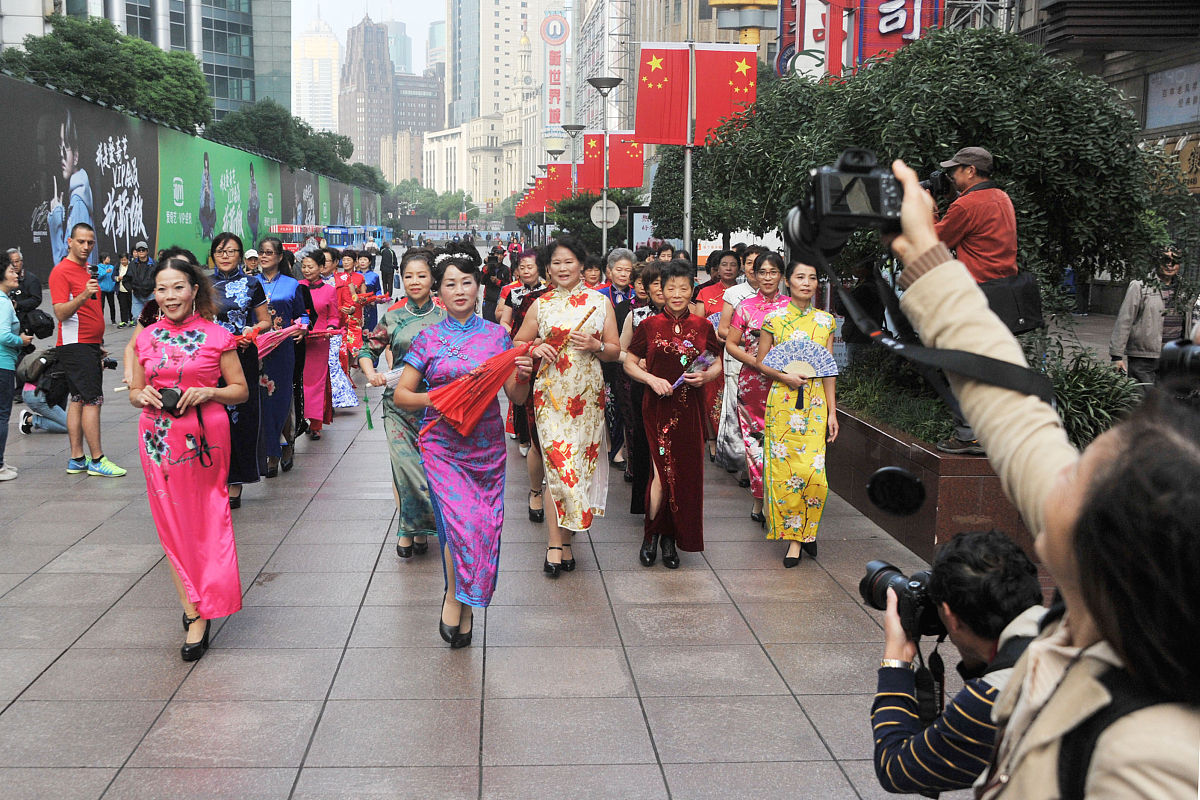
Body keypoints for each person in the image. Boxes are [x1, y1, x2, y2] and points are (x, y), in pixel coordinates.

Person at [887, 157, 1200, 799]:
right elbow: (1017, 415)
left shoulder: (1152, 762)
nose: (1059, 464)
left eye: (1082, 464)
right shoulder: (1086, 613)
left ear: (1107, 545)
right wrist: (923, 257)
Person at [394, 249, 533, 647]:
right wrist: (437, 398)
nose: (459, 290)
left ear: (479, 288)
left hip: (486, 449)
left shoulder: (497, 336)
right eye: (450, 284)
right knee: (460, 525)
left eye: (466, 283)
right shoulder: (429, 337)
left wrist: (522, 376)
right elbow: (403, 395)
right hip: (442, 447)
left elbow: (516, 398)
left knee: (481, 529)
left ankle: (466, 601)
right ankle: (456, 597)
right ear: (438, 291)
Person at [128, 253, 249, 661]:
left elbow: (240, 390)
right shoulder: (145, 337)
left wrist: (209, 391)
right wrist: (139, 395)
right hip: (157, 437)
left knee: (207, 518)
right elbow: (135, 390)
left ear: (194, 290)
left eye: (177, 287)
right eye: (162, 289)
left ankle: (207, 600)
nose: (169, 296)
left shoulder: (217, 335)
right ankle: (192, 607)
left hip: (205, 437)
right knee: (171, 521)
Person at [870, 529, 1045, 794]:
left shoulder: (991, 702)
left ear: (950, 617)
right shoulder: (1072, 633)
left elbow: (896, 768)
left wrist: (896, 659)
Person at [514, 236, 621, 577]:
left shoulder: (600, 303)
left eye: (569, 262)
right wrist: (535, 348)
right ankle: (553, 545)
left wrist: (596, 344)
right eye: (556, 263)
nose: (562, 268)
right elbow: (517, 341)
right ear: (548, 268)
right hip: (550, 398)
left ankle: (570, 541)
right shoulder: (540, 304)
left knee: (580, 472)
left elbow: (615, 351)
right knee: (558, 470)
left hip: (588, 397)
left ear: (582, 265)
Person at [624, 260, 722, 567]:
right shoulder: (649, 326)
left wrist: (706, 376)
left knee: (684, 476)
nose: (677, 294)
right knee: (660, 474)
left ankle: (671, 539)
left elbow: (716, 360)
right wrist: (651, 379)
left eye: (683, 287)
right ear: (660, 291)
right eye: (670, 288)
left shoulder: (703, 326)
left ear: (692, 289)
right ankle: (651, 534)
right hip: (656, 408)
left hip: (690, 409)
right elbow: (629, 361)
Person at [358, 248, 446, 559]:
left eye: (421, 275)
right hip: (397, 404)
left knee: (428, 469)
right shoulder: (393, 316)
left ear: (432, 278)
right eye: (408, 276)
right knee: (404, 466)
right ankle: (409, 529)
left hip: (436, 405)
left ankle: (419, 529)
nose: (415, 281)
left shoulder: (447, 316)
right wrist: (373, 373)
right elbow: (368, 350)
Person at [929, 147, 1017, 455]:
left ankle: (970, 435)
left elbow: (935, 241)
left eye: (956, 169)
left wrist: (929, 209)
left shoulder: (967, 205)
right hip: (1003, 294)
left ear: (970, 171)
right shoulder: (1002, 199)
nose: (952, 176)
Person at [755, 258, 838, 563]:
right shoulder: (773, 319)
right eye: (800, 277)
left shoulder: (826, 321)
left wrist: (832, 411)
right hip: (783, 404)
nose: (806, 282)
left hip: (815, 403)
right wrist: (784, 376)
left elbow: (828, 369)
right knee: (786, 473)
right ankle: (794, 539)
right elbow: (762, 362)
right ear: (787, 281)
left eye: (812, 277)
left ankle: (807, 531)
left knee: (814, 474)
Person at [49, 223, 126, 477]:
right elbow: (60, 312)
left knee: (79, 400)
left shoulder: (86, 271)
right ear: (70, 241)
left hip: (87, 344)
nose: (85, 247)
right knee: (93, 400)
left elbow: (89, 314)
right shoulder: (62, 272)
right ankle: (97, 459)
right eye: (81, 241)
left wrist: (97, 344)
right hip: (76, 345)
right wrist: (83, 294)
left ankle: (77, 458)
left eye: (90, 243)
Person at [726, 252, 791, 521]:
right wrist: (757, 362)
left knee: (783, 443)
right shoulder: (745, 307)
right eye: (762, 272)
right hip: (753, 383)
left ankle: (780, 500)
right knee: (755, 445)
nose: (767, 277)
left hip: (786, 384)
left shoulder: (792, 308)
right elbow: (731, 343)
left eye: (773, 272)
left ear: (781, 276)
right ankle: (759, 500)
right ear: (754, 274)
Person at [257, 237, 314, 476]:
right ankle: (270, 452)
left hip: (282, 350)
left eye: (269, 252)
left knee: (282, 399)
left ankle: (287, 443)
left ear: (280, 257)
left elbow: (304, 315)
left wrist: (303, 327)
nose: (264, 256)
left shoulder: (293, 285)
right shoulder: (251, 284)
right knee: (261, 402)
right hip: (257, 350)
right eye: (261, 252)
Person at [1109, 248, 1194, 387]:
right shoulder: (1140, 286)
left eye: (1175, 261)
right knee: (1143, 401)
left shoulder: (1184, 289)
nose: (1170, 265)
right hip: (1143, 356)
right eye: (1166, 260)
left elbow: (1189, 323)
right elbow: (1125, 320)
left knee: (1168, 402)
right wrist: (1116, 356)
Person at [618, 262, 665, 513]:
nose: (660, 288)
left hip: (678, 391)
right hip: (642, 389)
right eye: (654, 283)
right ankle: (646, 501)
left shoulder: (690, 318)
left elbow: (705, 356)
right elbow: (620, 352)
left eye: (663, 282)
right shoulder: (636, 316)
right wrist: (638, 362)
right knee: (644, 442)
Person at [714, 248, 761, 477]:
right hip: (737, 356)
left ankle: (753, 467)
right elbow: (723, 329)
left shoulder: (776, 296)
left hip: (763, 361)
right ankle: (738, 460)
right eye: (750, 263)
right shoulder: (734, 293)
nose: (754, 269)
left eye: (758, 264)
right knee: (734, 408)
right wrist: (749, 339)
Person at [599, 248, 636, 465]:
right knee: (609, 402)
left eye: (627, 270)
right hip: (606, 354)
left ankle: (623, 447)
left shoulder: (637, 294)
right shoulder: (600, 295)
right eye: (618, 270)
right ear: (609, 271)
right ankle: (611, 445)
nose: (623, 274)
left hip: (630, 355)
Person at [298, 250, 340, 439]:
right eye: (304, 266)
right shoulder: (296, 287)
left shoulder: (330, 290)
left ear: (322, 268)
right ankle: (299, 419)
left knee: (316, 382)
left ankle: (315, 424)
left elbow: (334, 316)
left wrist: (331, 327)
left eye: (311, 266)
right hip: (299, 339)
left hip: (320, 341)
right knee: (298, 380)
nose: (306, 270)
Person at [0, 253, 34, 480]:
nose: (16, 274)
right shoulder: (3, 303)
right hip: (3, 363)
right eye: (12, 271)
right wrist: (20, 341)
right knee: (2, 415)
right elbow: (3, 335)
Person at [47, 110, 96, 267]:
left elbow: (66, 262)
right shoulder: (80, 193)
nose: (61, 153)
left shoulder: (78, 201)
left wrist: (55, 222)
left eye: (66, 146)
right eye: (59, 145)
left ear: (76, 156)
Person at [126, 241, 157, 321]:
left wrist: (157, 288)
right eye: (139, 250)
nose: (141, 252)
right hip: (137, 295)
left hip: (151, 295)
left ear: (147, 251)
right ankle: (141, 333)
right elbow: (126, 279)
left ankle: (148, 333)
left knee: (151, 318)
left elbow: (160, 278)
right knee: (137, 318)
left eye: (143, 250)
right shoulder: (132, 264)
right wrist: (131, 289)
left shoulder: (155, 264)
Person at [357, 250, 382, 332]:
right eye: (360, 259)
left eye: (365, 259)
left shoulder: (375, 276)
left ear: (370, 262)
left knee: (370, 330)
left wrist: (378, 297)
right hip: (358, 307)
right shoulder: (354, 275)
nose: (362, 262)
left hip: (371, 306)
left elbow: (378, 290)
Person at [96, 253, 118, 325]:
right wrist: (105, 272)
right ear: (103, 259)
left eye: (109, 258)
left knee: (112, 305)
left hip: (110, 289)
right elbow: (98, 277)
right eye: (107, 258)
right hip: (102, 289)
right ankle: (101, 320)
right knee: (101, 305)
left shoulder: (112, 267)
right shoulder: (98, 267)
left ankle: (113, 320)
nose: (109, 259)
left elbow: (114, 276)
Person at [115, 253, 134, 327]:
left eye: (124, 260)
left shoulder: (132, 266)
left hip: (130, 290)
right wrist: (117, 278)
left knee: (131, 306)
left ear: (128, 259)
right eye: (122, 260)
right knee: (123, 306)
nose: (123, 261)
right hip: (120, 290)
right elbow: (113, 276)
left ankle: (132, 320)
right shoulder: (117, 266)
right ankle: (124, 321)